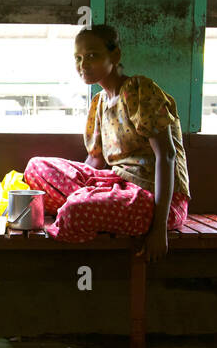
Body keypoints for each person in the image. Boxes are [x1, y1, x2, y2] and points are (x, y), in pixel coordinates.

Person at [25, 25, 191, 262]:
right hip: (115, 183)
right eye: (78, 58)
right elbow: (94, 161)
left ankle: (87, 205)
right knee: (36, 167)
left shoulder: (139, 90)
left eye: (92, 56)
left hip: (153, 197)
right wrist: (85, 189)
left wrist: (158, 230)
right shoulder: (100, 102)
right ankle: (93, 202)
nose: (83, 65)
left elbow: (167, 155)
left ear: (115, 56)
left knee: (75, 211)